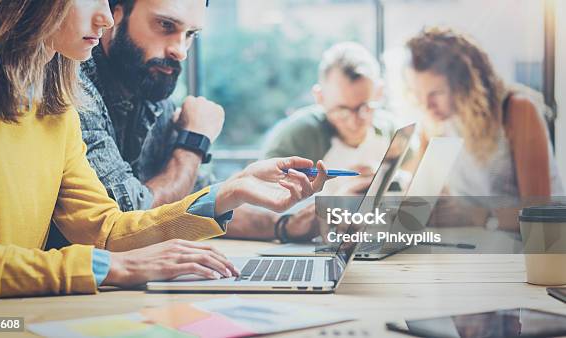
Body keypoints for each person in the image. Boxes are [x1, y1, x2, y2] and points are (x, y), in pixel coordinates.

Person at [0, 0, 327, 305]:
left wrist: (227, 193)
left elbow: (106, 229)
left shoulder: (59, 99)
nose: (105, 17)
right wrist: (111, 268)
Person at [44, 0, 326, 247]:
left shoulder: (149, 88)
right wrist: (193, 142)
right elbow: (126, 223)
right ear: (115, 13)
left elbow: (192, 202)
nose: (180, 50)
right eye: (165, 25)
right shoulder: (68, 83)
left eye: (190, 34)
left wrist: (285, 226)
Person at [405, 27, 563, 230]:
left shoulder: (517, 111)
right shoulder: (436, 122)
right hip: (477, 244)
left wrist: (477, 217)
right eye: (418, 92)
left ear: (464, 85)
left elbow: (539, 214)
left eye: (437, 92)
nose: (426, 105)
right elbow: (417, 202)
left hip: (530, 249)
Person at [263, 42, 412, 196]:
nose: (354, 122)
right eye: (341, 111)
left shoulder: (391, 130)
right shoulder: (299, 136)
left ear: (379, 93)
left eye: (364, 108)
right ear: (320, 97)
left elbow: (411, 178)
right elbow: (262, 202)